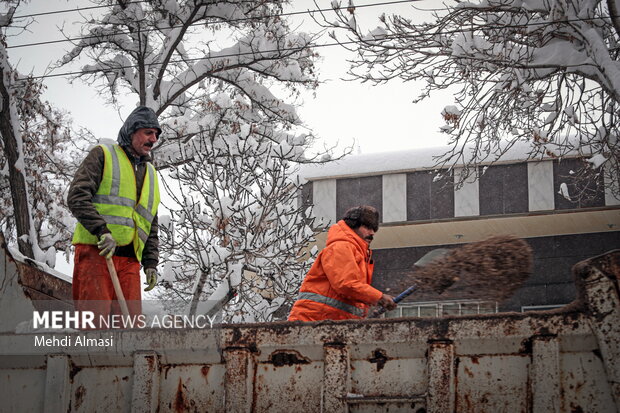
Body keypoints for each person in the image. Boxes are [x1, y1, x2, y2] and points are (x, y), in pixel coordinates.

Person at [68, 106, 161, 320]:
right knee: (94, 325)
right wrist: (101, 231)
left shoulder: (152, 175)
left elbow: (150, 225)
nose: (153, 139)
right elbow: (77, 196)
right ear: (131, 132)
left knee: (130, 331)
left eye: (156, 134)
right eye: (148, 132)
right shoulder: (103, 155)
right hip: (97, 254)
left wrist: (150, 263)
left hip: (129, 263)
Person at [288, 205, 397, 321]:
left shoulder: (354, 250)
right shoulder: (342, 247)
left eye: (374, 229)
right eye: (367, 227)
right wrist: (379, 297)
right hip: (315, 323)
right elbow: (346, 284)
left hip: (323, 323)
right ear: (353, 226)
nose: (372, 233)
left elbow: (348, 291)